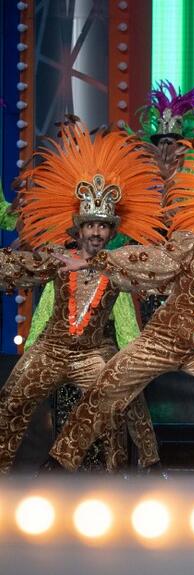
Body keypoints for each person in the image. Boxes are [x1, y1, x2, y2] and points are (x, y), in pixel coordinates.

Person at [43, 103, 194, 472]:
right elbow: (149, 261)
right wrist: (95, 260)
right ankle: (59, 461)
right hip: (158, 343)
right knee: (107, 385)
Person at [0, 120, 162, 473]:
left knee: (125, 396)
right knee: (11, 400)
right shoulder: (59, 256)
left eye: (103, 226)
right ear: (79, 228)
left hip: (92, 354)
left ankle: (141, 471)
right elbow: (18, 267)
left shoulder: (119, 263)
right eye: (90, 225)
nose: (96, 232)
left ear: (110, 231)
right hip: (51, 349)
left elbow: (153, 271)